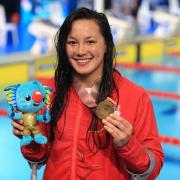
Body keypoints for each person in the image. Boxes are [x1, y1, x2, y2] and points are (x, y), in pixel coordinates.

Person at [12, 7, 164, 180]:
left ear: (107, 44)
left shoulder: (135, 96)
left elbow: (152, 169)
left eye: (90, 42)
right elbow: (38, 157)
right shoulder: (48, 92)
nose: (80, 51)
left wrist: (127, 145)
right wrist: (30, 138)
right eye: (72, 42)